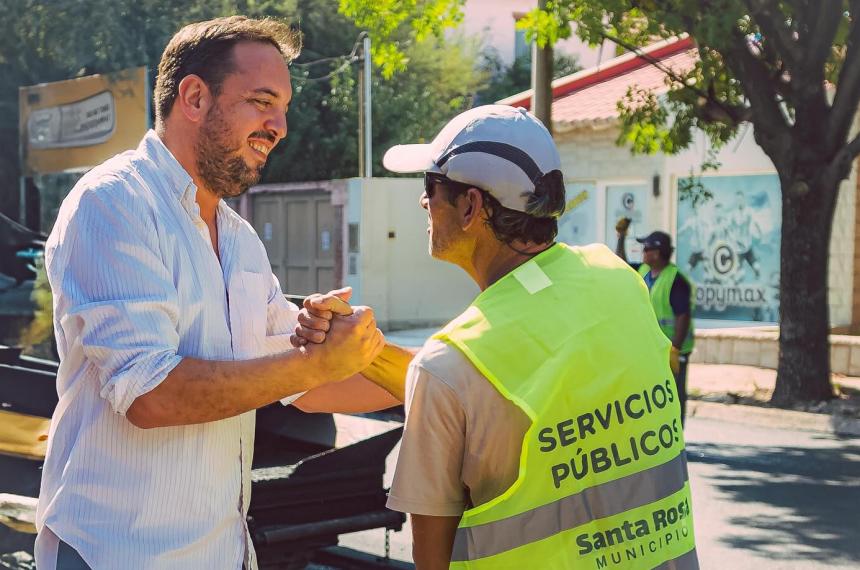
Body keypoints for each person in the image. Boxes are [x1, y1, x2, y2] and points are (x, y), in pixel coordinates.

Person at [36, 16, 402, 570]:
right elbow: (150, 394)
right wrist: (313, 362)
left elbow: (301, 384)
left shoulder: (239, 238)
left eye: (283, 108)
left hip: (221, 553)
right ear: (194, 97)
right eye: (261, 101)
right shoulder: (114, 203)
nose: (279, 126)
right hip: (116, 555)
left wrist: (444, 379)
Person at [376, 105, 697, 569]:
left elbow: (433, 558)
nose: (423, 202)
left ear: (471, 206)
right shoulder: (618, 281)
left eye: (431, 186)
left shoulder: (448, 365)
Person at [616, 220, 695, 422]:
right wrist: (621, 237)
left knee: (673, 396)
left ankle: (675, 438)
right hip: (651, 347)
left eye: (646, 248)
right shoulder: (644, 272)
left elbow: (682, 317)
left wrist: (675, 350)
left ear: (657, 253)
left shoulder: (675, 280)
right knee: (651, 396)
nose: (642, 251)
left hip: (671, 350)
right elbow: (621, 263)